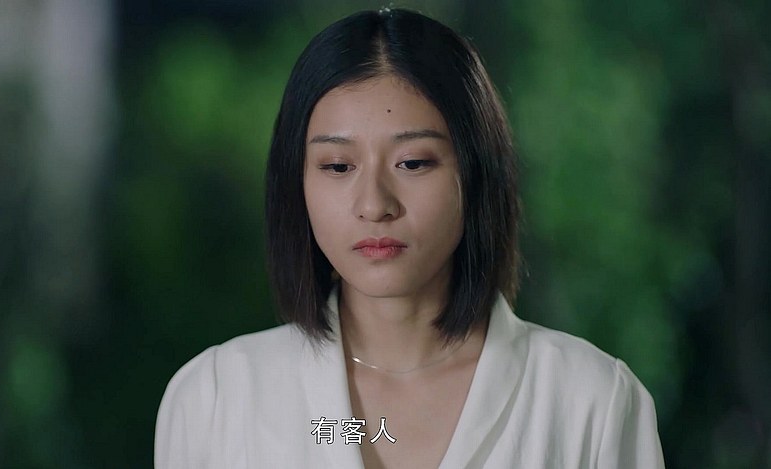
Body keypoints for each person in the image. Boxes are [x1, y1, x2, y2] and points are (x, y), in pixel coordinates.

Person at [155, 8, 665, 468]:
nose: (375, 204)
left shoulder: (592, 402)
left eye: (413, 162)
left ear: (476, 172)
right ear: (296, 181)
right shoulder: (217, 398)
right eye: (338, 166)